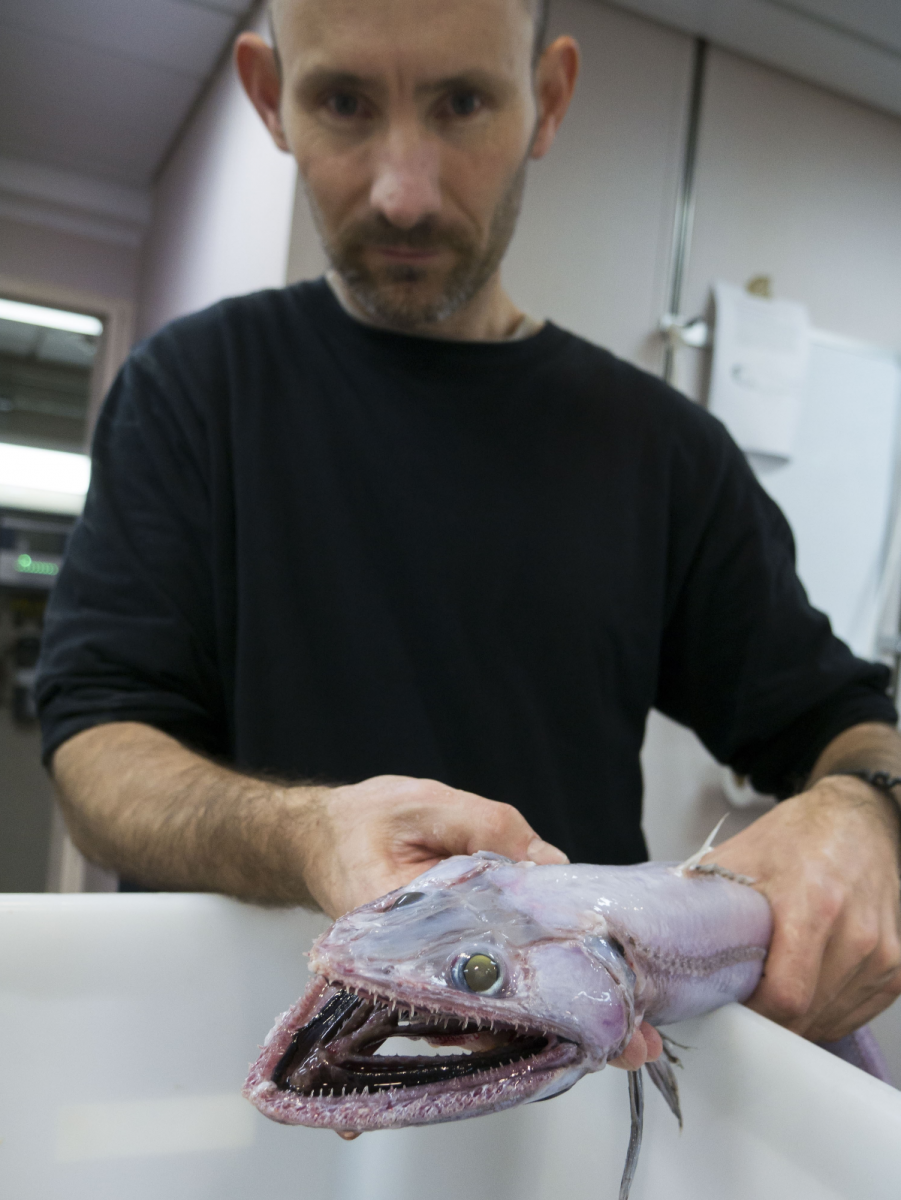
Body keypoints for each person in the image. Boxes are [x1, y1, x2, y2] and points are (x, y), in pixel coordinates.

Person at [36, 0, 901, 1073]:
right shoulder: (190, 392)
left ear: (548, 98)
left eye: (462, 103)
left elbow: (841, 722)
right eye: (344, 102)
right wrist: (303, 835)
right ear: (270, 96)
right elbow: (96, 742)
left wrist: (867, 813)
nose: (405, 189)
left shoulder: (664, 453)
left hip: (562, 1109)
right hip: (227, 1075)